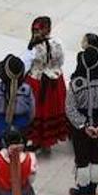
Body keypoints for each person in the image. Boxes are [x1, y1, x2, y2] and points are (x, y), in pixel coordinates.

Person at [65, 39, 98, 195]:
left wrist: (84, 125)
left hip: (80, 128)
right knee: (96, 156)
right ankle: (93, 191)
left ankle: (82, 191)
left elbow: (70, 108)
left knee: (82, 159)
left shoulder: (76, 84)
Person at [24, 16, 67, 151]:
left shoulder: (34, 47)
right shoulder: (57, 43)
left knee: (38, 111)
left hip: (37, 81)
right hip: (54, 82)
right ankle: (47, 142)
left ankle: (37, 139)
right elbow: (61, 62)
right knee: (51, 110)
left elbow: (27, 64)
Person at [0, 54, 34, 147]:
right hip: (22, 123)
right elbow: (32, 111)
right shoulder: (26, 89)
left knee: (1, 151)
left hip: (1, 122)